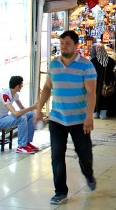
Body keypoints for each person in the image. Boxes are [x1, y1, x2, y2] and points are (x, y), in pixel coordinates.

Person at [35, 30, 97, 205]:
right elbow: (47, 87)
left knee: (84, 154)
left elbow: (92, 93)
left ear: (76, 46)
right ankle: (60, 191)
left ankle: (88, 175)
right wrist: (39, 110)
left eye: (68, 43)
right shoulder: (54, 65)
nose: (64, 46)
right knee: (57, 155)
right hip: (57, 119)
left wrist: (89, 117)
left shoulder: (86, 66)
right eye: (62, 43)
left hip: (79, 120)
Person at [0, 75, 39, 154]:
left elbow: (22, 108)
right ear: (17, 86)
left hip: (5, 118)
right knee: (21, 118)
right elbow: (16, 114)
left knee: (31, 114)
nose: (22, 86)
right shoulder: (5, 95)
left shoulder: (15, 95)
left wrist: (33, 108)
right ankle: (21, 146)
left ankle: (27, 143)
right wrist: (32, 106)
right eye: (21, 84)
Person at [91, 43, 115, 120]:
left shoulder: (93, 61)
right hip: (106, 84)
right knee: (105, 97)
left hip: (96, 84)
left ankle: (95, 113)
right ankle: (103, 114)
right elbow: (113, 73)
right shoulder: (110, 61)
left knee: (96, 97)